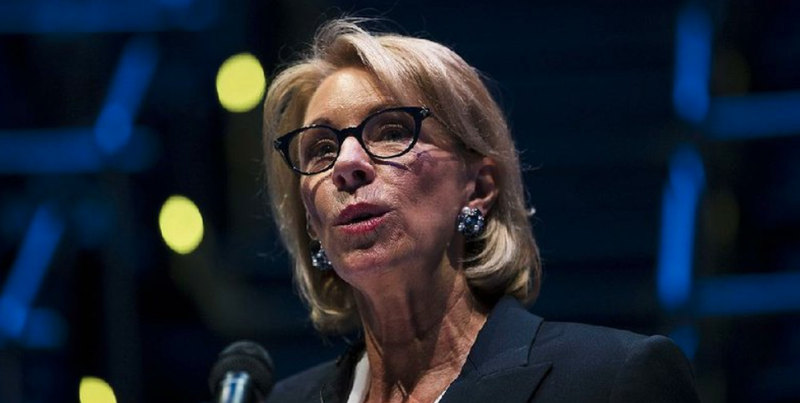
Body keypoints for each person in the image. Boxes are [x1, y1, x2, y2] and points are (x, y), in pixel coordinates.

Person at [261, 18, 700, 403]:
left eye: (391, 131)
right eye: (320, 149)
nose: (347, 165)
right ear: (311, 221)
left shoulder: (608, 380)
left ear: (479, 187)